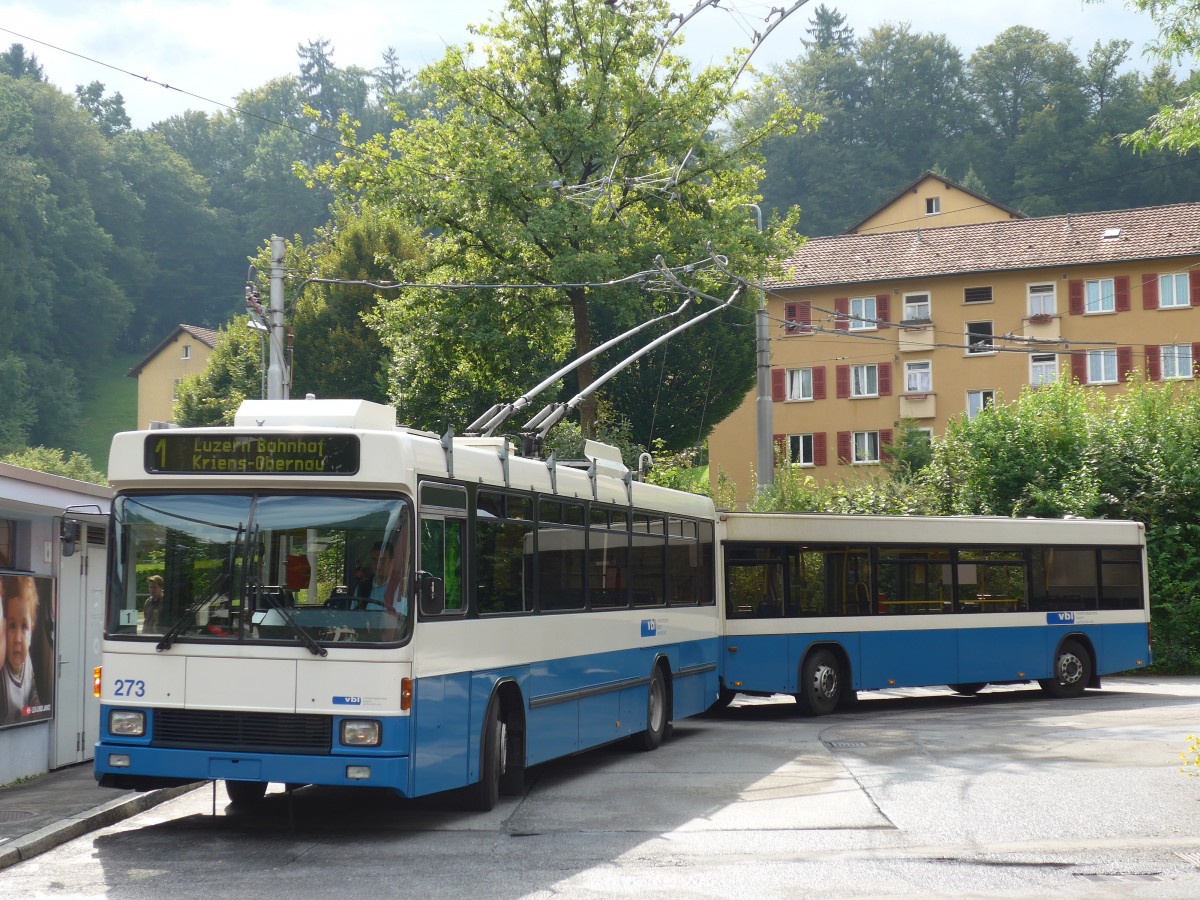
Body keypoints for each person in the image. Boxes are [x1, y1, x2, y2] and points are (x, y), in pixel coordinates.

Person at [3, 575, 41, 724]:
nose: (18, 639)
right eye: (12, 626)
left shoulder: (27, 661)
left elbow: (32, 692)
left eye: (24, 626)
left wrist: (37, 705)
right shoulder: (3, 671)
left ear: (32, 629)